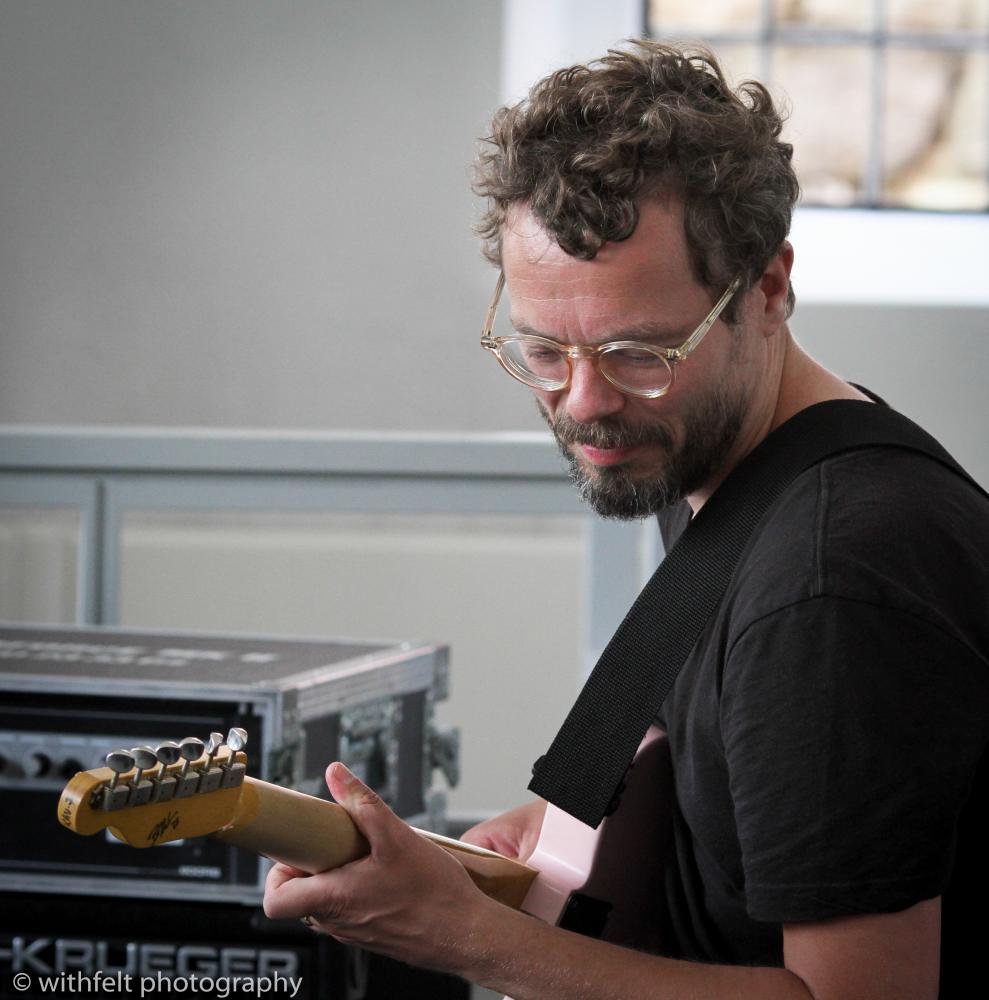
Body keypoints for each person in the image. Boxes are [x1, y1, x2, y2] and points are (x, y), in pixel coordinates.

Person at [263, 41, 989, 999]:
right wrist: (550, 837)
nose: (583, 404)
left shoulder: (829, 581)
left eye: (640, 352)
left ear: (766, 289)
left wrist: (464, 936)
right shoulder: (725, 459)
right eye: (542, 351)